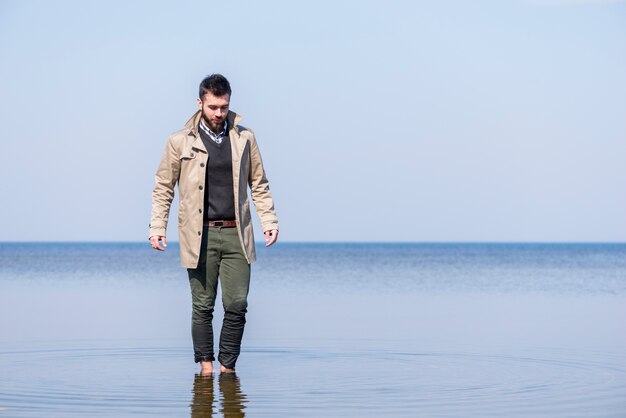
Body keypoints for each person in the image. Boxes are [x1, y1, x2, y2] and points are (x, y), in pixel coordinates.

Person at [149, 73, 279, 375]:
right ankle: (206, 370)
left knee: (237, 304)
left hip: (237, 233)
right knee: (203, 306)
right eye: (213, 107)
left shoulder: (245, 138)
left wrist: (268, 220)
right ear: (200, 103)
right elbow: (163, 186)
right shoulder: (179, 141)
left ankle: (227, 369)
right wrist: (157, 227)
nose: (219, 113)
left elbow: (258, 183)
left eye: (224, 107)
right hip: (199, 235)